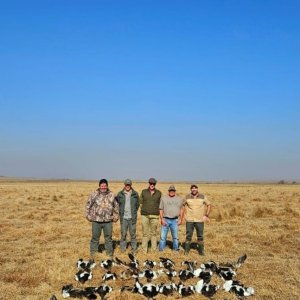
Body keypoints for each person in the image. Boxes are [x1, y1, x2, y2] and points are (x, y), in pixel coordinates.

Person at [85, 179, 119, 258]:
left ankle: (109, 254)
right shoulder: (94, 194)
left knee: (108, 238)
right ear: (99, 186)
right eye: (102, 186)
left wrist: (116, 217)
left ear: (107, 186)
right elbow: (88, 205)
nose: (103, 187)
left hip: (108, 221)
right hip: (96, 220)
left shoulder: (111, 195)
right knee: (95, 238)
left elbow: (116, 206)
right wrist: (88, 216)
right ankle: (93, 254)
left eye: (105, 186)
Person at [183, 184, 211, 256]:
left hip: (199, 220)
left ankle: (201, 252)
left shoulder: (203, 197)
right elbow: (182, 206)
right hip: (189, 220)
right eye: (192, 188)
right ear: (191, 189)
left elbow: (209, 205)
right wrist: (184, 215)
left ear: (197, 189)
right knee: (188, 235)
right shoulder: (187, 197)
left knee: (200, 236)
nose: (194, 189)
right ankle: (186, 251)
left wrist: (206, 215)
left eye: (195, 188)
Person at [115, 179, 140, 254]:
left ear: (131, 185)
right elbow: (117, 204)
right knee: (123, 234)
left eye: (129, 185)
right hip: (124, 218)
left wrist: (134, 212)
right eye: (126, 185)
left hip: (132, 218)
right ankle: (123, 249)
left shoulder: (135, 194)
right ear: (124, 185)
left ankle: (134, 249)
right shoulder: (120, 194)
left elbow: (137, 205)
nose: (127, 186)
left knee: (133, 234)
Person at [159, 185, 184, 252]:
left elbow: (182, 209)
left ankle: (175, 250)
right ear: (168, 191)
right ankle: (161, 250)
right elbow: (161, 209)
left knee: (175, 237)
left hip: (175, 220)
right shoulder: (163, 198)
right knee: (162, 237)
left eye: (173, 190)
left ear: (175, 191)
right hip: (165, 219)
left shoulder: (179, 199)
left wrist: (181, 219)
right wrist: (162, 219)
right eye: (170, 190)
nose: (171, 192)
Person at [140, 178, 162, 253]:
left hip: (155, 216)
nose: (152, 185)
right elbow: (140, 202)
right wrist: (144, 209)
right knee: (145, 233)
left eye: (153, 184)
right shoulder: (143, 192)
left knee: (154, 233)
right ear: (149, 183)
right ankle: (144, 250)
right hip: (144, 215)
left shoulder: (159, 193)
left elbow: (160, 204)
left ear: (155, 184)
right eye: (151, 183)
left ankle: (153, 250)